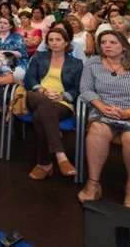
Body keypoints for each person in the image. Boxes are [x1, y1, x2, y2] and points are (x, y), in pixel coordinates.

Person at [77, 31, 130, 212]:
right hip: (105, 109)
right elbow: (85, 89)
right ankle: (93, 183)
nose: (107, 46)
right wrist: (101, 106)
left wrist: (128, 113)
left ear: (124, 46)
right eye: (103, 42)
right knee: (97, 130)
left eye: (113, 42)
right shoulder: (93, 63)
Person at [23, 28, 83, 179]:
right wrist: (42, 91)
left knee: (39, 116)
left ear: (66, 42)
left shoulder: (76, 63)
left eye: (58, 39)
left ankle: (44, 164)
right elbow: (29, 79)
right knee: (43, 102)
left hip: (61, 102)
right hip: (37, 95)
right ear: (47, 43)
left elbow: (77, 89)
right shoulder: (39, 57)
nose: (54, 43)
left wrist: (63, 96)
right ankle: (60, 155)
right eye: (51, 40)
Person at [0, 15, 28, 81]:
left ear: (11, 26)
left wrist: (3, 52)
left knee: (13, 72)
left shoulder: (17, 37)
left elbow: (21, 54)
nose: (2, 25)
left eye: (5, 23)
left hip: (17, 63)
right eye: (0, 22)